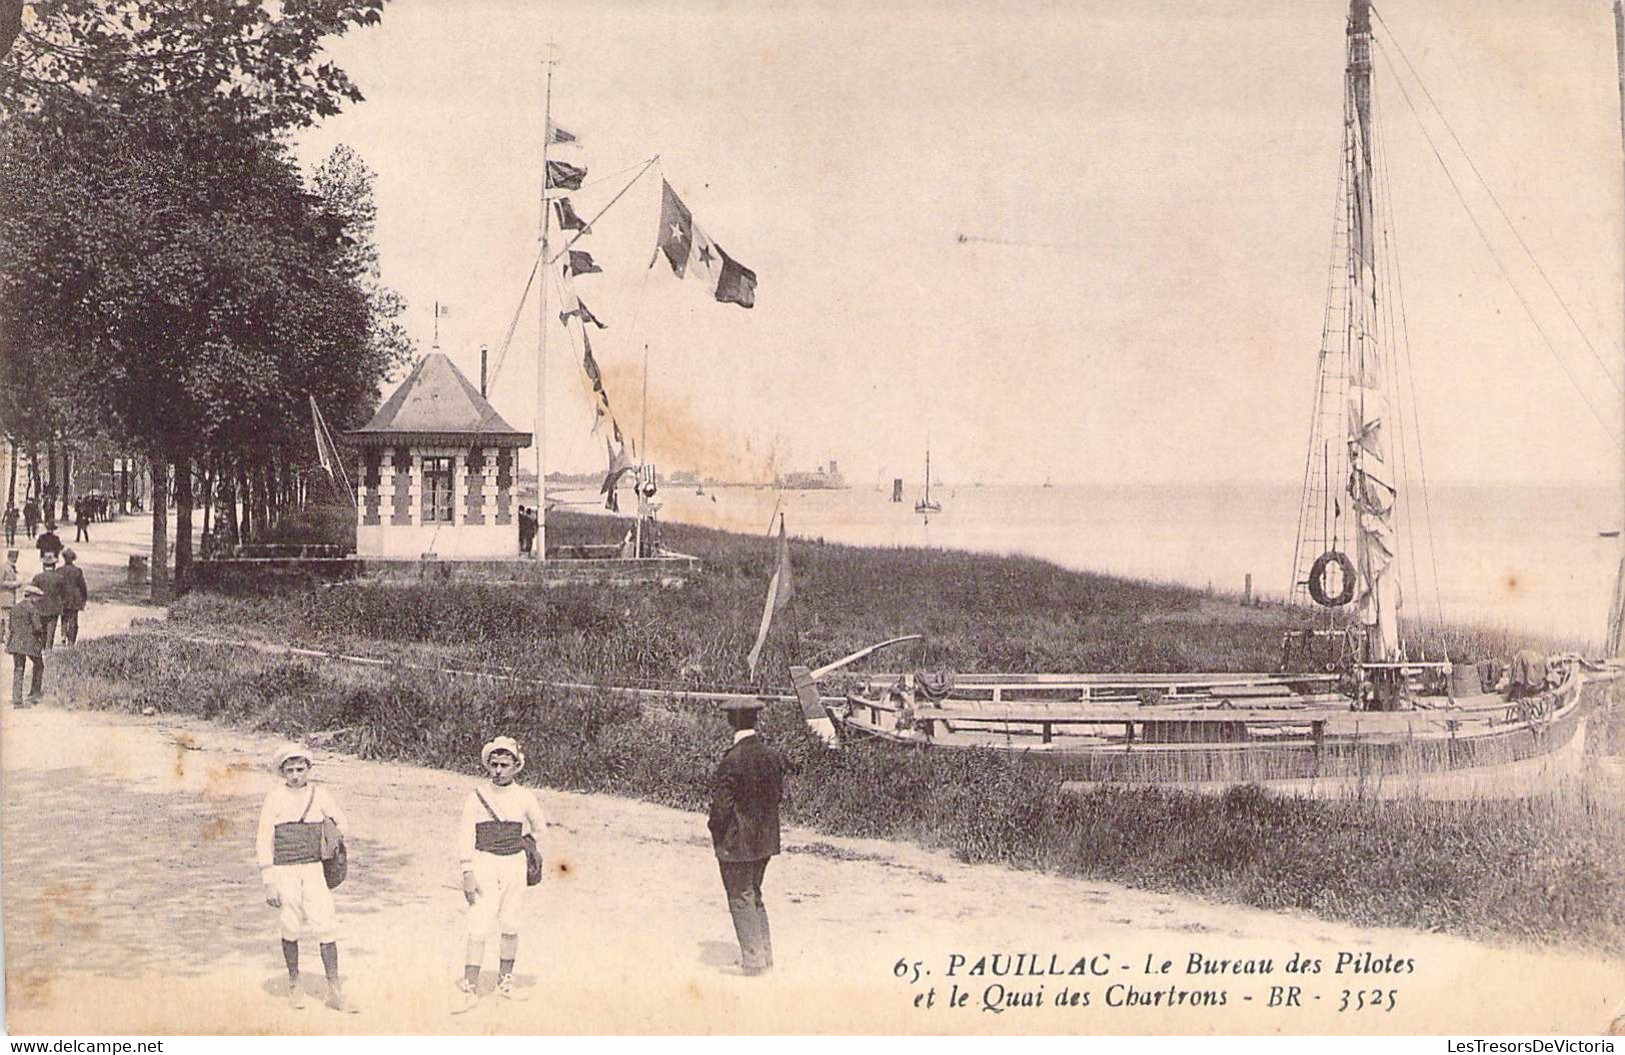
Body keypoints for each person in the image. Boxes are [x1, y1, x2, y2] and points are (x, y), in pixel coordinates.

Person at [256, 744, 356, 1014]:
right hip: (285, 869)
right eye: (290, 770)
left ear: (309, 770)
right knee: (290, 923)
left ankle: (334, 989)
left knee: (326, 922)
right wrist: (268, 879)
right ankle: (294, 982)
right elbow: (264, 837)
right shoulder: (274, 797)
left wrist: (331, 836)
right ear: (282, 772)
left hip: (313, 868)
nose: (296, 775)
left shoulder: (319, 794)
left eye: (301, 769)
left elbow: (342, 822)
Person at [453, 736, 545, 1014]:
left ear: (517, 766)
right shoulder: (477, 796)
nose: (498, 770)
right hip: (484, 862)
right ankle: (470, 987)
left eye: (505, 764)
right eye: (494, 764)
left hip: (514, 865)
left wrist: (523, 843)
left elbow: (540, 828)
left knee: (510, 923)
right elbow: (465, 835)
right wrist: (467, 870)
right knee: (479, 924)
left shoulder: (524, 796)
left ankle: (505, 983)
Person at [708, 699, 787, 976]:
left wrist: (717, 833)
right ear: (755, 720)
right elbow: (777, 797)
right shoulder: (771, 755)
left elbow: (721, 809)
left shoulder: (732, 759)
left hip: (737, 843)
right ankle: (764, 956)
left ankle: (753, 962)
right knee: (754, 895)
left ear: (731, 721)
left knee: (740, 897)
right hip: (764, 841)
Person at [7, 583, 46, 706]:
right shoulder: (32, 609)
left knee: (18, 669)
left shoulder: (15, 607)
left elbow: (10, 626)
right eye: (38, 598)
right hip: (29, 644)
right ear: (32, 596)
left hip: (15, 642)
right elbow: (38, 628)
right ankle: (34, 694)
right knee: (39, 665)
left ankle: (17, 700)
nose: (39, 600)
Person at [31, 552, 65, 649]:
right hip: (54, 609)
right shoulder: (59, 578)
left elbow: (31, 592)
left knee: (41, 631)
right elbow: (64, 594)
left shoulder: (38, 577)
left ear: (43, 565)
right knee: (51, 633)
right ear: (54, 566)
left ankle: (41, 651)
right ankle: (48, 651)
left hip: (40, 608)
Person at [58, 548, 87, 646]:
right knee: (73, 619)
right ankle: (71, 640)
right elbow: (82, 586)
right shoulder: (77, 571)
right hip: (74, 598)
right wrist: (84, 598)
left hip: (63, 597)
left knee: (64, 617)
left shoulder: (59, 570)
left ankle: (63, 636)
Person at [1, 549, 17, 636]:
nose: (15, 560)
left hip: (10, 599)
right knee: (7, 622)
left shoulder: (11, 568)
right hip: (5, 599)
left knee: (7, 621)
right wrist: (13, 584)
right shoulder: (4, 568)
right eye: (14, 558)